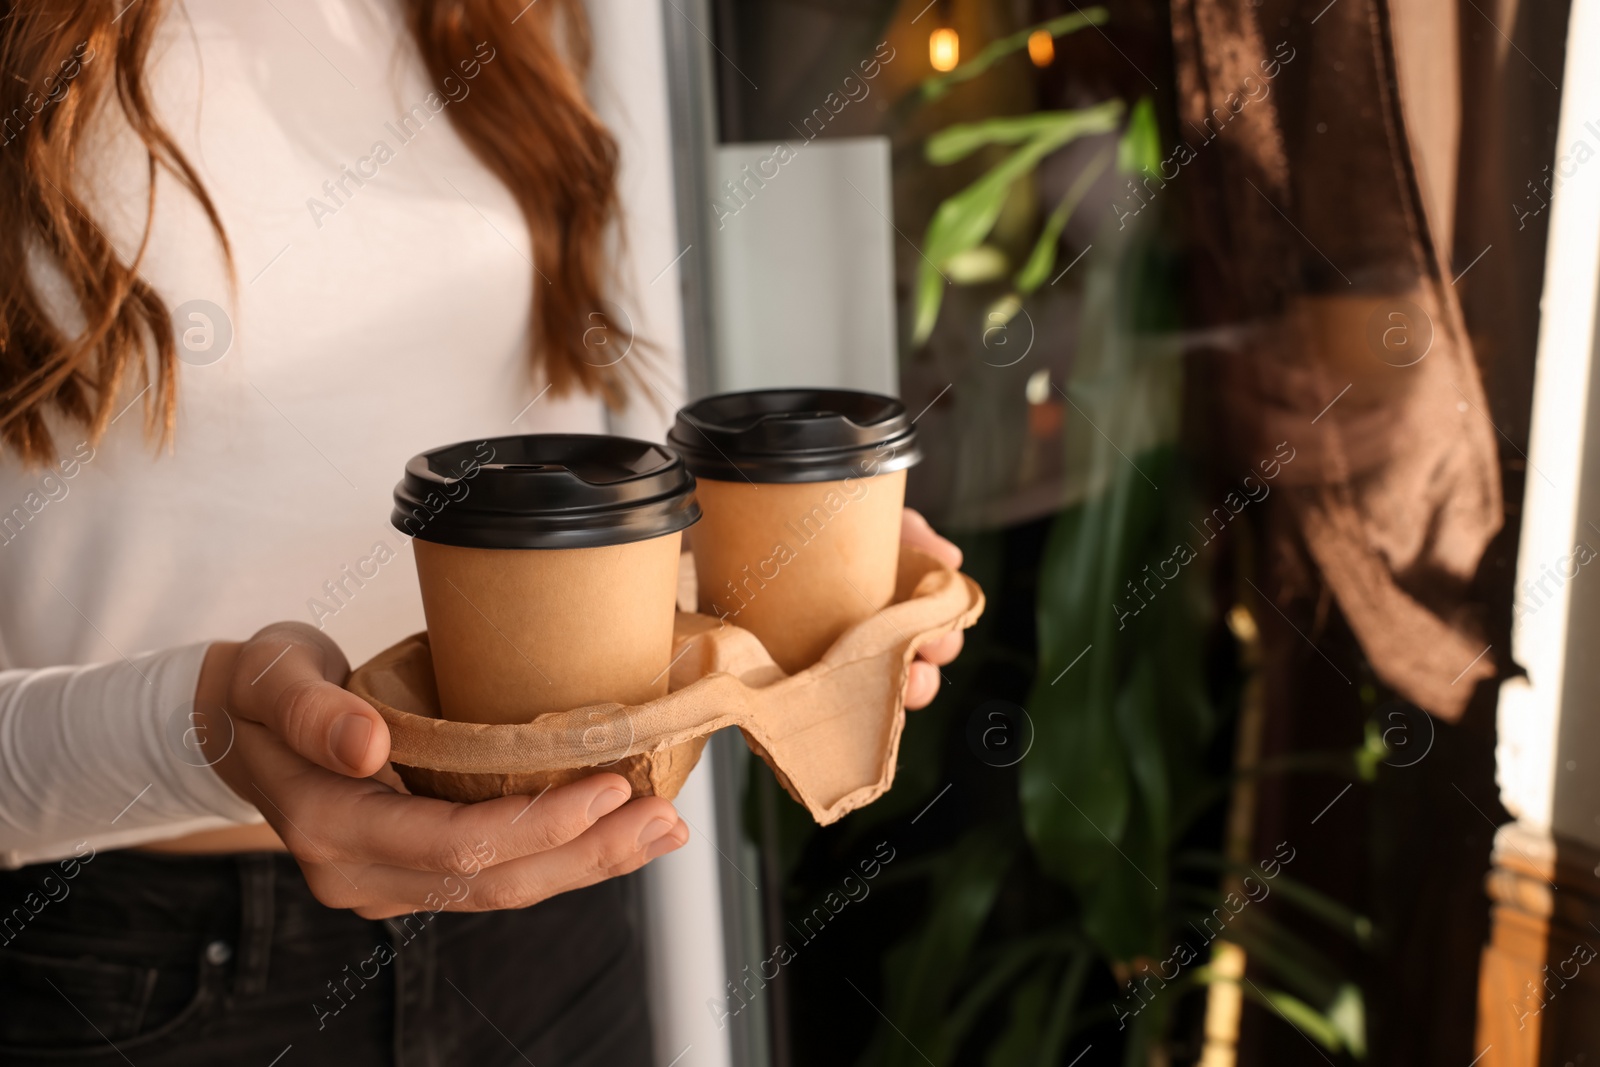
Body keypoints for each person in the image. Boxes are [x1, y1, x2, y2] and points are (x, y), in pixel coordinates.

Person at [0, 1, 965, 1064]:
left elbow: (562, 479)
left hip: (544, 926)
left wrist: (783, 568)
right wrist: (195, 728)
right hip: (147, 970)